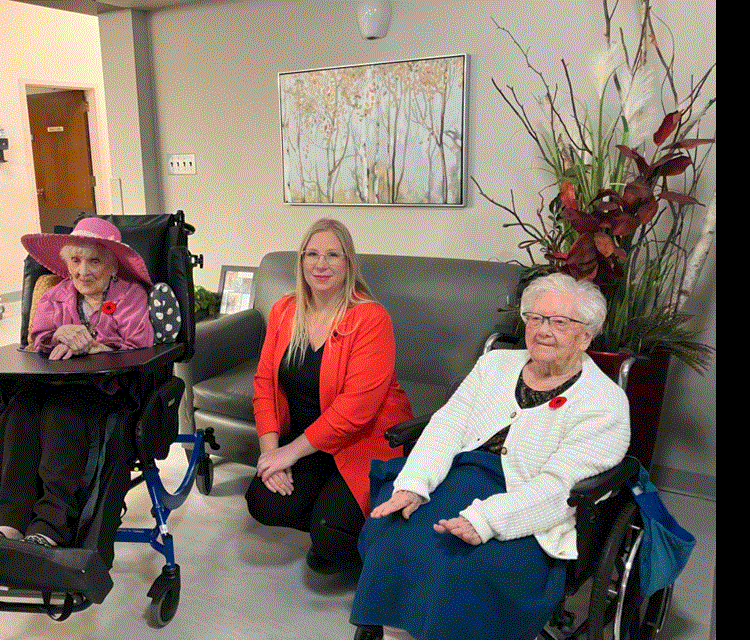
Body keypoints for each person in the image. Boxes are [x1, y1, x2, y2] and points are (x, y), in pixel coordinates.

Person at [350, 272, 630, 640]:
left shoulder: (605, 402)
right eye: (536, 318)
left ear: (586, 335)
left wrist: (488, 520)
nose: (543, 329)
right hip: (457, 477)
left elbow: (560, 488)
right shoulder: (494, 366)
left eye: (560, 322)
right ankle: (395, 631)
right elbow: (446, 427)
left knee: (465, 569)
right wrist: (415, 484)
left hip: (527, 505)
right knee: (392, 536)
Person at [246, 218, 413, 573]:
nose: (321, 264)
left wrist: (289, 453)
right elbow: (264, 383)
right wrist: (271, 452)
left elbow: (356, 411)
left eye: (332, 255)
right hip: (310, 439)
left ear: (348, 264)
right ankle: (330, 509)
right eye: (312, 254)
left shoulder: (370, 318)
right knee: (263, 503)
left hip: (362, 439)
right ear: (301, 260)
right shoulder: (284, 310)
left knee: (332, 538)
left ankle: (351, 533)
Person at [0, 217, 159, 547]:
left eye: (94, 260)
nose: (83, 271)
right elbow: (36, 339)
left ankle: (50, 525)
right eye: (76, 261)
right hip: (49, 382)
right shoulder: (55, 296)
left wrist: (97, 347)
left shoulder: (129, 296)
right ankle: (9, 521)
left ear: (113, 266)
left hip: (100, 387)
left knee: (59, 412)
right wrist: (57, 333)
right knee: (18, 411)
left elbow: (140, 343)